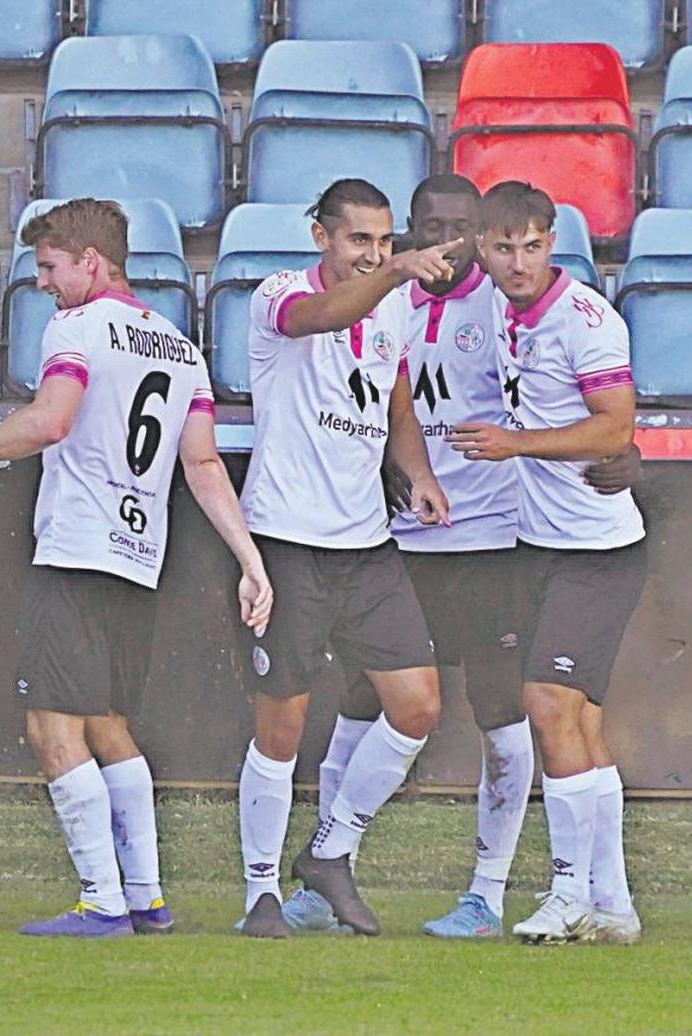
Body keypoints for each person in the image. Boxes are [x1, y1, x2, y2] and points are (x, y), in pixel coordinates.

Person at [0, 198, 272, 938]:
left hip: (78, 548)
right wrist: (250, 559)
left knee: (51, 726)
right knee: (109, 723)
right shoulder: (179, 347)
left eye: (52, 268)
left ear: (92, 261)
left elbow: (51, 420)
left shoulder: (80, 328)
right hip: (138, 558)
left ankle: (102, 900)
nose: (45, 285)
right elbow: (204, 462)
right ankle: (147, 897)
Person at [283, 175, 641, 939]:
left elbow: (579, 403)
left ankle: (487, 893)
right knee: (360, 701)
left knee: (507, 715)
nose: (445, 243)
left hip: (496, 541)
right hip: (401, 542)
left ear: (483, 233)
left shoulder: (512, 304)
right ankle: (323, 872)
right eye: (430, 227)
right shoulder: (384, 301)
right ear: (410, 230)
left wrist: (628, 451)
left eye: (460, 227)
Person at [234, 178, 457, 938]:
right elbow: (321, 318)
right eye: (359, 238)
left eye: (385, 241)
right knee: (283, 729)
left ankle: (330, 853)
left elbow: (397, 403)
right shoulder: (275, 293)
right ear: (319, 234)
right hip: (289, 539)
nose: (374, 253)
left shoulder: (392, 303)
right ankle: (260, 892)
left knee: (419, 704)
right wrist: (394, 274)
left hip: (366, 544)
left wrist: (418, 473)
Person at [447, 181, 647, 944]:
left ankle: (566, 894)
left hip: (596, 549)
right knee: (582, 727)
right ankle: (613, 900)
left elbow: (614, 429)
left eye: (532, 246)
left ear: (552, 240)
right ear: (484, 249)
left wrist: (515, 444)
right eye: (504, 247)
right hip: (541, 543)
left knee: (547, 704)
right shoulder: (494, 307)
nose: (518, 262)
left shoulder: (588, 320)